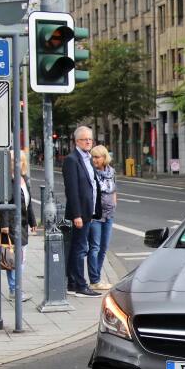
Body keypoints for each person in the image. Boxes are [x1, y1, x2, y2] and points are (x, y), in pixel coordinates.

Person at [62, 125, 98, 297]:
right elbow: (72, 190)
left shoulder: (88, 158)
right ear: (77, 141)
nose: (89, 141)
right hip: (80, 213)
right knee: (80, 247)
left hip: (88, 211)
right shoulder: (72, 160)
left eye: (90, 139)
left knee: (79, 246)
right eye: (85, 139)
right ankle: (79, 285)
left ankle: (72, 282)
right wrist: (76, 214)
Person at [0, 155, 36, 302]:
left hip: (22, 223)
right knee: (13, 258)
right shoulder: (7, 180)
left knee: (20, 258)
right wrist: (4, 225)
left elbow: (28, 203)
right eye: (14, 160)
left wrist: (33, 221)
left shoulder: (23, 178)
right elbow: (4, 204)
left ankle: (16, 288)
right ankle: (14, 289)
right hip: (11, 225)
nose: (17, 163)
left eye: (20, 160)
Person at [87, 145, 117, 291]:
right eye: (93, 157)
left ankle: (97, 277)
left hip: (109, 214)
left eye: (97, 157)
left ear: (105, 158)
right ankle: (94, 279)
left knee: (103, 247)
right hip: (96, 215)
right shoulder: (91, 173)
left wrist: (114, 204)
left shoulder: (111, 172)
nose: (94, 160)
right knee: (94, 247)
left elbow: (114, 189)